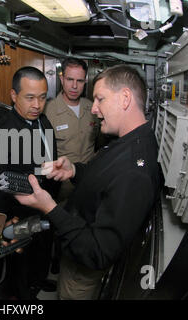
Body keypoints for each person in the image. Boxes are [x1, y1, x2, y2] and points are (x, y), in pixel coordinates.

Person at [15, 65, 162, 300]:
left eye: (100, 99)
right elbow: (104, 179)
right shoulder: (126, 142)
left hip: (82, 267)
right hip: (74, 246)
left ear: (125, 98)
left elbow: (97, 251)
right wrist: (74, 170)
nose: (94, 109)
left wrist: (49, 208)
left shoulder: (136, 170)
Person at [0, 66, 60, 299]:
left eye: (43, 97)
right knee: (19, 275)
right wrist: (5, 224)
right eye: (30, 97)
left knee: (40, 257)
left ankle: (37, 283)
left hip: (45, 209)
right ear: (14, 96)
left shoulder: (44, 123)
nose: (37, 105)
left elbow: (50, 161)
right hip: (18, 217)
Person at [45, 57, 99, 200]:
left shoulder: (93, 108)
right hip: (62, 189)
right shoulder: (48, 111)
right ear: (62, 79)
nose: (74, 86)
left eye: (80, 81)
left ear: (85, 82)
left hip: (90, 183)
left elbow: (100, 143)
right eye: (70, 80)